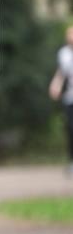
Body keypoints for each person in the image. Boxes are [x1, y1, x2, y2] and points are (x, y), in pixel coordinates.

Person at [48, 24, 73, 176]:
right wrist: (55, 84)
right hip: (70, 97)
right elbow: (62, 72)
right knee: (70, 129)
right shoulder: (63, 53)